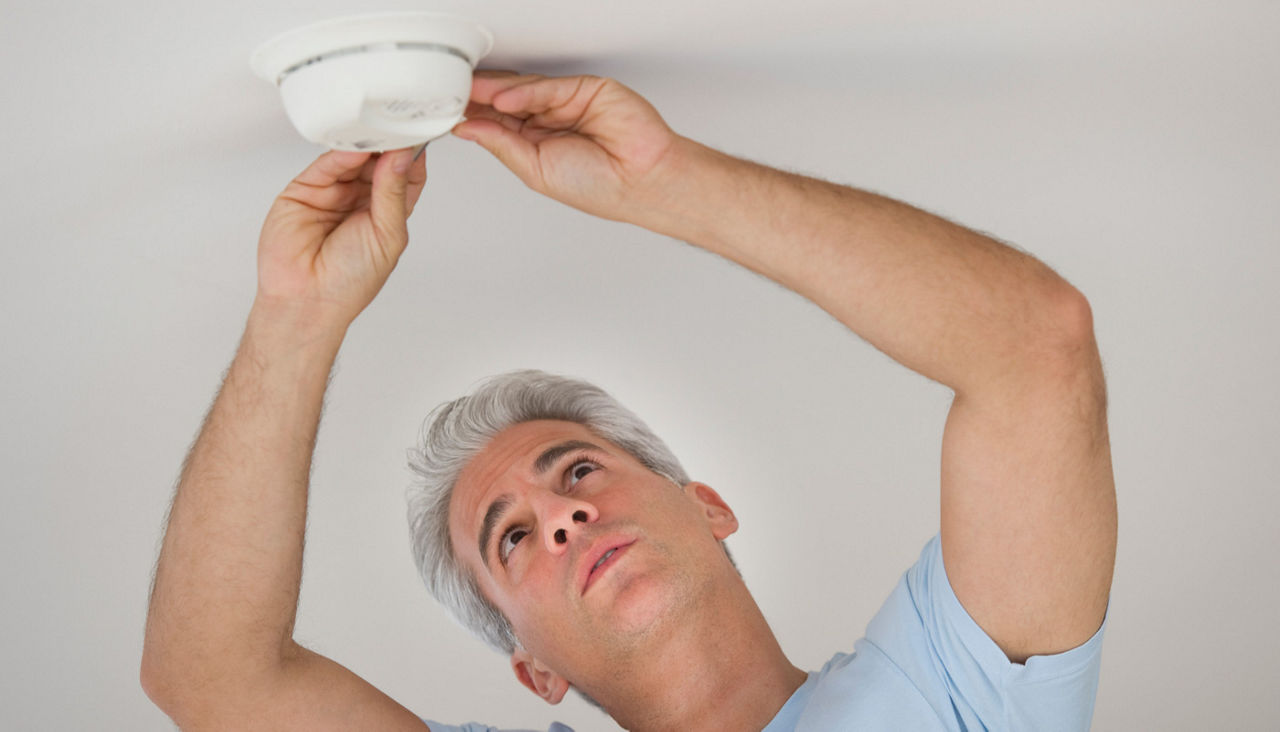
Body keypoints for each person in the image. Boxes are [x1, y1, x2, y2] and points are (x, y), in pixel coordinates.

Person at [141, 71, 1116, 731]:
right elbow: (212, 679)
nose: (560, 513)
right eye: (509, 537)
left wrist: (664, 180)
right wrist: (294, 317)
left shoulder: (949, 690)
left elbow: (1034, 350)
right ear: (533, 672)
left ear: (707, 505)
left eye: (577, 470)